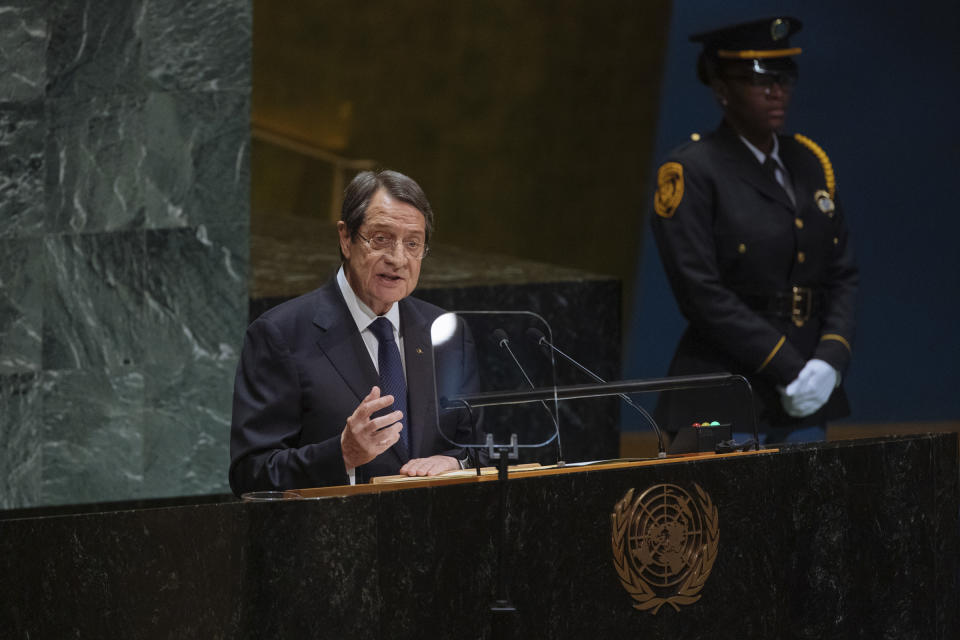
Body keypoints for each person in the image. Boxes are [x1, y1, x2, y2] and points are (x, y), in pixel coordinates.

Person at [650, 17, 858, 444]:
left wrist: (830, 359)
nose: (776, 90)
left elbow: (841, 274)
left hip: (804, 394)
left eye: (784, 77)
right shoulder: (693, 169)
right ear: (722, 90)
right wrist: (788, 366)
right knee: (718, 511)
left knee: (808, 510)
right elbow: (700, 292)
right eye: (758, 79)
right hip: (721, 393)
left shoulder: (809, 163)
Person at [229, 169, 478, 494]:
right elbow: (252, 474)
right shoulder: (280, 335)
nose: (398, 258)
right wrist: (342, 454)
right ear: (346, 238)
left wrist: (457, 463)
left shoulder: (446, 334)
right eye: (381, 239)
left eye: (413, 243)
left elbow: (482, 444)